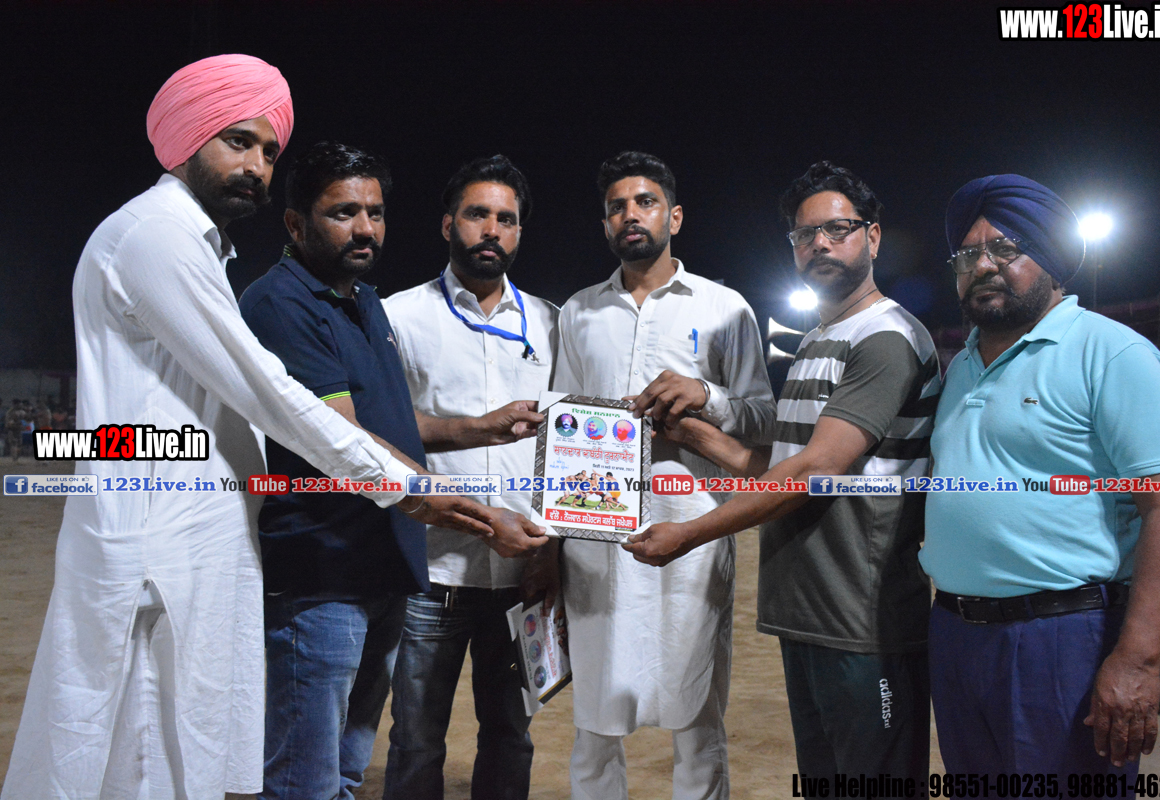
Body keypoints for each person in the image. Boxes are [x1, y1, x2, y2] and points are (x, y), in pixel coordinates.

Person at [1, 56, 462, 800]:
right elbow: (266, 391)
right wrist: (402, 486)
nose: (256, 166)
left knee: (177, 753)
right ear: (187, 136)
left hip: (193, 543)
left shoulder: (199, 245)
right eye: (238, 141)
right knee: (136, 754)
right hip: (153, 551)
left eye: (269, 151)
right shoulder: (154, 236)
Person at [239, 143, 547, 800]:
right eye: (343, 212)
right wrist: (480, 515)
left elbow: (393, 422)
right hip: (326, 576)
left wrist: (479, 428)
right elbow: (345, 441)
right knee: (314, 778)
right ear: (295, 223)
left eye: (374, 213)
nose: (364, 229)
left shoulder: (362, 303)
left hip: (384, 570)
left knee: (348, 770)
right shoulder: (285, 304)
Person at [626, 161, 939, 782]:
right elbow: (780, 464)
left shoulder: (885, 337)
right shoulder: (818, 340)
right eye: (804, 234)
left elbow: (817, 469)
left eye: (838, 229)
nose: (820, 243)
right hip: (806, 611)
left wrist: (689, 534)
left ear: (873, 237)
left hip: (863, 622)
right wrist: (691, 433)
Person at [921, 174, 1160, 776]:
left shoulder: (1111, 352)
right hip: (957, 635)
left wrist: (1138, 660)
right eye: (967, 255)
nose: (983, 265)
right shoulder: (960, 367)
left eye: (1006, 248)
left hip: (1062, 636)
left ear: (1051, 260)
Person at [554, 151, 775, 800]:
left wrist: (705, 396)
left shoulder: (725, 307)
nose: (631, 215)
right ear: (605, 225)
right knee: (595, 718)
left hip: (694, 533)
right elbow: (560, 424)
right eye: (617, 207)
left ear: (674, 217)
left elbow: (762, 417)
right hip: (597, 537)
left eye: (645, 202)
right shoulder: (579, 311)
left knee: (697, 711)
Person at [382, 155, 558, 800]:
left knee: (511, 735)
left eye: (506, 219)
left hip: (521, 574)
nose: (491, 230)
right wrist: (473, 427)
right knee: (416, 739)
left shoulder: (551, 323)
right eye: (477, 214)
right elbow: (379, 431)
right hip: (430, 576)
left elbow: (570, 450)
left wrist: (555, 550)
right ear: (447, 224)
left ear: (519, 232)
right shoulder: (399, 317)